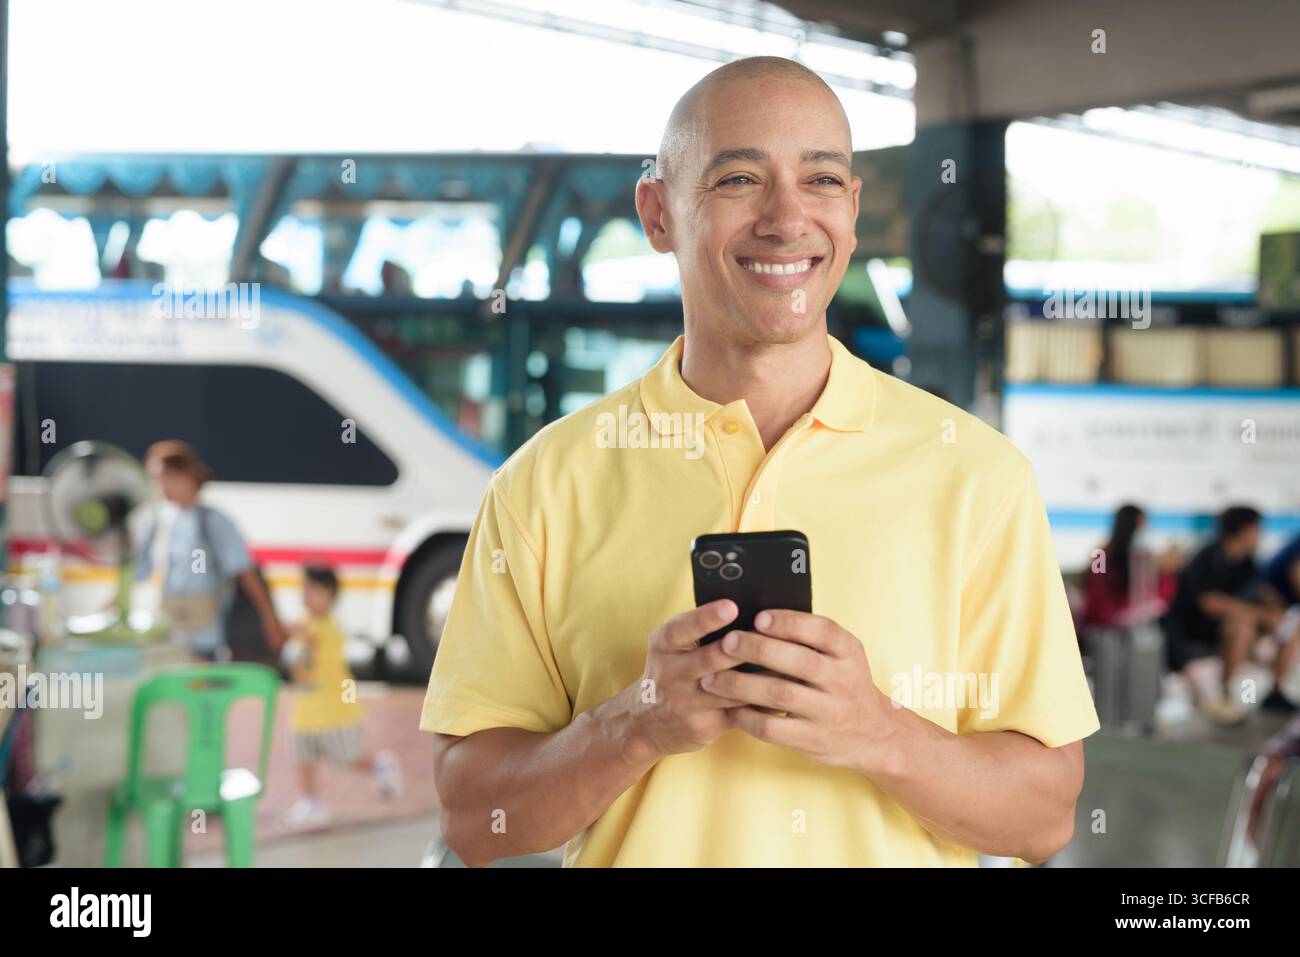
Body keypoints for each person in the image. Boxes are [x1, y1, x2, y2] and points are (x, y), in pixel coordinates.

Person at [421, 56, 1098, 867]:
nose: (787, 219)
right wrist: (636, 722)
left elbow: (1044, 819)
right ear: (658, 212)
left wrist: (881, 732)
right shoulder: (542, 485)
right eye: (739, 178)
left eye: (820, 180)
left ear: (850, 209)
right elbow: (474, 819)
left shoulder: (978, 476)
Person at [137, 440, 287, 662]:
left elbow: (245, 572)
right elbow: (138, 570)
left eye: (161, 478)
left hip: (204, 639)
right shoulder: (159, 521)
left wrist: (270, 621)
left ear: (184, 475)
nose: (157, 486)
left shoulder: (214, 521)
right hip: (168, 631)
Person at [283, 564, 402, 829]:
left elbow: (317, 644)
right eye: (303, 589)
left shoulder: (330, 627)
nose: (306, 596)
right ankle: (312, 803)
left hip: (334, 712)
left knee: (346, 757)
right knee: (303, 758)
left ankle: (381, 766)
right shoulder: (306, 623)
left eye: (313, 590)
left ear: (330, 595)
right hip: (305, 711)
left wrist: (301, 634)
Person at [1162, 506, 1298, 723]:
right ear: (1243, 531)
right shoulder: (1207, 557)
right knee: (1241, 625)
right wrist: (1252, 613)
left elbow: (1262, 595)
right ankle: (1225, 692)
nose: (1259, 536)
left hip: (1233, 622)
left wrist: (1272, 612)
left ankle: (1276, 689)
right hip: (1196, 627)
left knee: (1290, 624)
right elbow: (1208, 603)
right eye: (1256, 530)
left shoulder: (1248, 563)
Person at [1081, 504, 1178, 628]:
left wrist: (1166, 572)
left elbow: (1154, 595)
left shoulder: (1144, 557)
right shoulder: (1100, 555)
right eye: (1141, 526)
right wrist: (1114, 615)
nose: (1145, 531)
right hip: (1104, 626)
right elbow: (1095, 592)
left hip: (1134, 624)